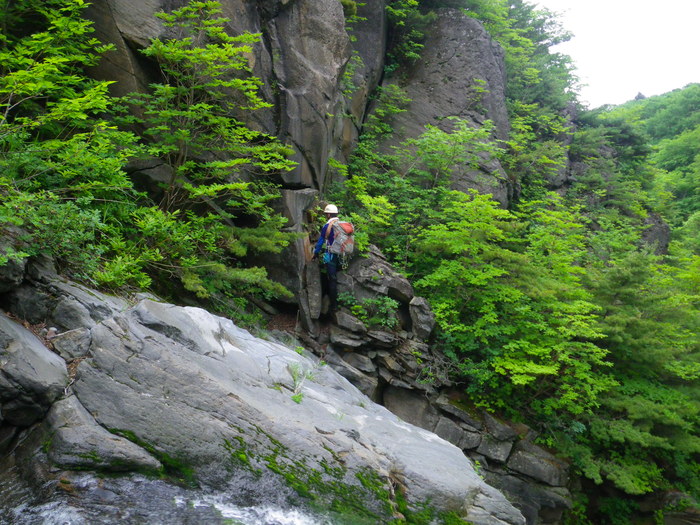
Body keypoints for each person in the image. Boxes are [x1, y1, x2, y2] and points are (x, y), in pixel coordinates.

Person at [312, 204, 341, 313]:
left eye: (326, 214)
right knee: (335, 277)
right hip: (342, 256)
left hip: (331, 255)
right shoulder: (342, 224)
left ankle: (333, 305)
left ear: (328, 214)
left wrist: (315, 253)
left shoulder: (327, 226)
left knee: (331, 278)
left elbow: (320, 242)